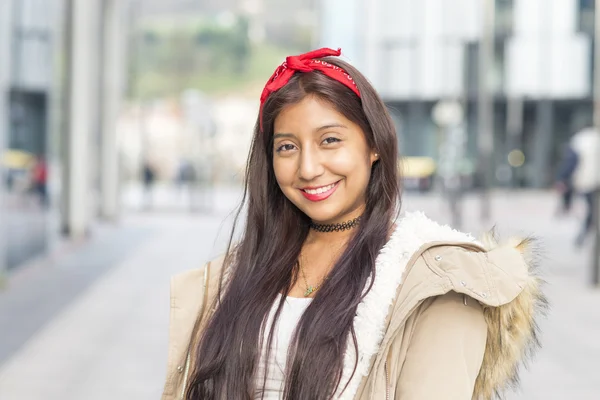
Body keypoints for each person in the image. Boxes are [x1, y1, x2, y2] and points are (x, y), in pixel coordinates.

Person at [161, 48, 547, 400]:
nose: (308, 169)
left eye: (330, 140)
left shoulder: (434, 281)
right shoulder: (239, 271)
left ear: (374, 144)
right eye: (287, 147)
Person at [555, 127, 600, 246]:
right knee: (592, 211)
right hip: (593, 180)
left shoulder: (579, 141)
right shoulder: (594, 138)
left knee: (590, 211)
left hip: (586, 181)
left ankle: (582, 236)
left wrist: (562, 177)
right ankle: (584, 235)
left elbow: (570, 162)